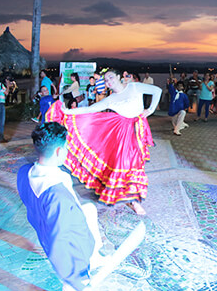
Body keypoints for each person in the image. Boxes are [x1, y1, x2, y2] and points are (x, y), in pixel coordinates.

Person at [3, 121, 145, 291]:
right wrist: (77, 280)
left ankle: (96, 256)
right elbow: (62, 243)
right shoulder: (57, 196)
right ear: (59, 151)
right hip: (66, 246)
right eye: (67, 147)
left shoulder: (25, 172)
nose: (69, 151)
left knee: (88, 208)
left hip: (52, 227)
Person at [44, 69, 161, 215]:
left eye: (111, 77)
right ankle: (134, 200)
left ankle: (133, 199)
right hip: (122, 133)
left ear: (119, 77)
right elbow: (89, 110)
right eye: (106, 80)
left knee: (137, 164)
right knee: (125, 164)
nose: (109, 81)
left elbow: (157, 90)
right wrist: (67, 112)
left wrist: (149, 110)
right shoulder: (110, 99)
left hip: (138, 130)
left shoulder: (134, 87)